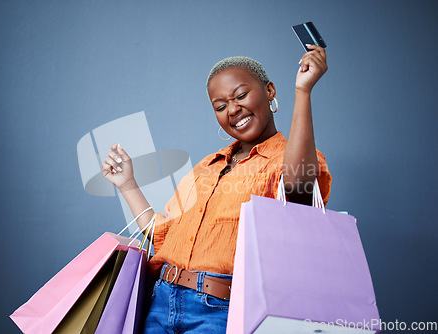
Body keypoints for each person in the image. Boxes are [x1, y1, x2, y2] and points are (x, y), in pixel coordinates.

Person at [101, 44, 332, 333]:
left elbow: (299, 191)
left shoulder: (288, 161)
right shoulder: (205, 167)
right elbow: (160, 238)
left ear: (270, 90)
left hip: (221, 311)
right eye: (220, 106)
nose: (233, 109)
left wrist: (303, 92)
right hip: (160, 305)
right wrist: (127, 184)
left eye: (241, 95)